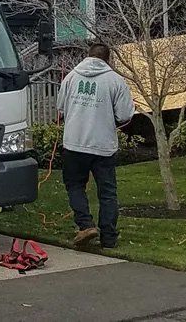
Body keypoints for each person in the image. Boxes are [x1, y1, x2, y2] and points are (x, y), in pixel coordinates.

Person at [58, 43, 135, 249]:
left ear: (88, 56)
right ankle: (108, 238)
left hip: (74, 143)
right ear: (108, 59)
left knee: (75, 185)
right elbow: (125, 115)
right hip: (103, 145)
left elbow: (60, 107)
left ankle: (85, 224)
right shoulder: (115, 81)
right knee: (107, 192)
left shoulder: (72, 77)